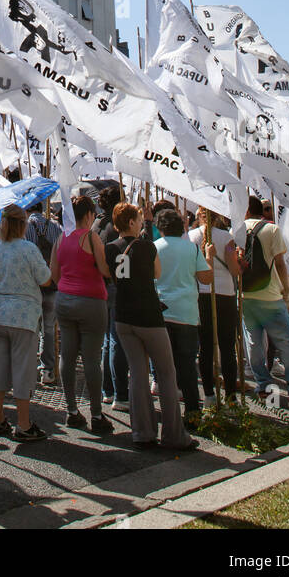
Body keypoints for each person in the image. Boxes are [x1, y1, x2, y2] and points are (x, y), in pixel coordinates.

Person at [107, 202, 197, 451]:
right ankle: (174, 435)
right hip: (148, 315)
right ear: (132, 223)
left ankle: (142, 432)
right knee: (167, 374)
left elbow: (110, 274)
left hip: (123, 316)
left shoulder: (110, 248)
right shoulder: (147, 247)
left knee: (137, 373)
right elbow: (157, 274)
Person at [0, 203, 52, 444]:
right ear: (22, 225)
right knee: (23, 371)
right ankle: (23, 424)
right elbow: (45, 279)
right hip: (24, 316)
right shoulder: (29, 249)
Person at [51, 193, 113, 434]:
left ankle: (71, 411)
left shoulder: (60, 238)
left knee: (66, 355)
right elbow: (106, 271)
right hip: (91, 301)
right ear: (88, 215)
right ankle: (96, 414)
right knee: (91, 359)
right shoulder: (91, 237)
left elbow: (54, 273)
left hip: (64, 300)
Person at [240, 196, 289, 408]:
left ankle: (263, 386)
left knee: (254, 343)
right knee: (286, 344)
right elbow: (280, 263)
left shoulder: (237, 230)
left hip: (246, 296)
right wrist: (286, 289)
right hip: (270, 296)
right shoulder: (271, 229)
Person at [154, 206, 213, 424]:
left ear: (160, 228)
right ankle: (193, 413)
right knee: (187, 366)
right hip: (187, 312)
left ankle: (169, 415)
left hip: (161, 312)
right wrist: (208, 257)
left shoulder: (154, 248)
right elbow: (206, 279)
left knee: (164, 368)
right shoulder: (192, 249)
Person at [189, 208, 239, 403]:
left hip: (201, 292)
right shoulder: (227, 238)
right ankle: (231, 396)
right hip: (225, 292)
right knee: (227, 346)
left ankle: (209, 394)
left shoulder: (191, 236)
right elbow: (234, 269)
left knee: (206, 347)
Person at [93, 185, 129, 406]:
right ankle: (119, 393)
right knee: (116, 341)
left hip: (99, 286)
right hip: (114, 284)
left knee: (108, 341)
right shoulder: (114, 228)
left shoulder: (96, 223)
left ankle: (108, 390)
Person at [25, 199, 61, 386]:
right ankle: (47, 370)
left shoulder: (25, 228)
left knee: (32, 329)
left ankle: (29, 369)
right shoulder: (55, 227)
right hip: (53, 284)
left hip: (32, 286)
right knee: (48, 330)